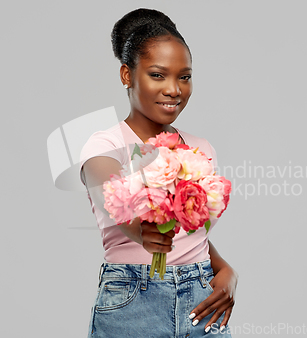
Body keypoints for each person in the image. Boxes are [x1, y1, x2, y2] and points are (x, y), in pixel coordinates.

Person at [79, 8, 238, 337]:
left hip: (200, 299)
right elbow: (108, 193)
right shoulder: (105, 144)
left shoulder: (200, 150)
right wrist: (140, 231)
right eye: (158, 75)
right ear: (127, 75)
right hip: (134, 300)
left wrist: (225, 271)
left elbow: (194, 237)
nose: (174, 89)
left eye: (184, 76)